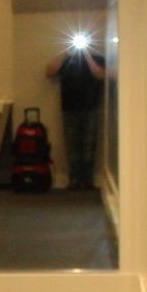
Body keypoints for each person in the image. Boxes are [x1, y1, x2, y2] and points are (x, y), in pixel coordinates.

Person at [45, 38, 106, 190]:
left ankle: (88, 180)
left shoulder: (98, 58)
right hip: (69, 107)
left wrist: (86, 54)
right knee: (71, 145)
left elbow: (99, 74)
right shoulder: (66, 59)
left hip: (91, 107)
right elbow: (49, 72)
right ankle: (74, 179)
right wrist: (64, 55)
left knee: (90, 144)